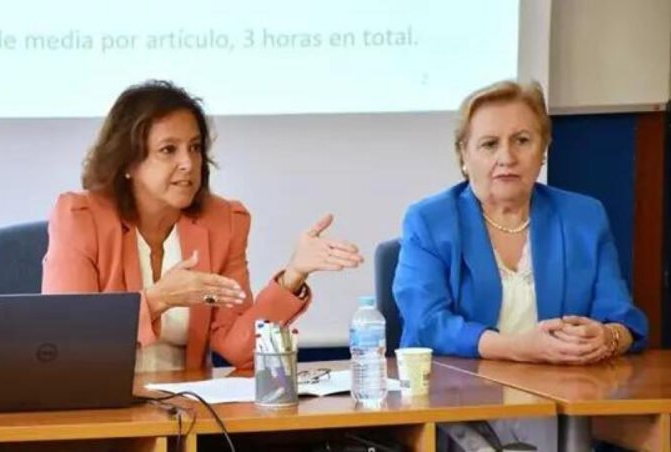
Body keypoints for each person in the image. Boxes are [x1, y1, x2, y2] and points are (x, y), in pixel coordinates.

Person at [391, 80, 649, 450]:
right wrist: (518, 347)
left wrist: (606, 338)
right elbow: (427, 324)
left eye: (522, 140)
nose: (507, 157)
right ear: (464, 155)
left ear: (543, 150)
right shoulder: (430, 221)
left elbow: (623, 317)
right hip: (456, 408)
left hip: (560, 402)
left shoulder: (582, 217)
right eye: (489, 144)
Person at [42, 80, 363, 372]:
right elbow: (67, 339)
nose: (188, 163)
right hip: (99, 410)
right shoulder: (81, 217)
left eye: (195, 148)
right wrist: (156, 300)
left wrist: (293, 275)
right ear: (128, 162)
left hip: (187, 414)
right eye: (169, 150)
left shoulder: (222, 222)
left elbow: (238, 348)